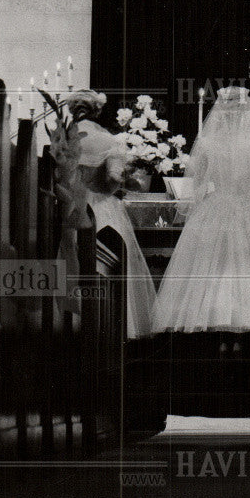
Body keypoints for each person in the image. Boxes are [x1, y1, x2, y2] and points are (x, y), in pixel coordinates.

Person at [151, 86, 250, 346]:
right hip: (249, 209)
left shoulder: (207, 142)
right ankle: (245, 323)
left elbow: (196, 186)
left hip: (216, 207)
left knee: (216, 268)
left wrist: (201, 208)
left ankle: (216, 326)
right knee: (246, 268)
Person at [69, 89, 157, 340]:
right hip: (102, 209)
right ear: (97, 110)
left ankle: (74, 324)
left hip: (72, 207)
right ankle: (114, 326)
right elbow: (113, 178)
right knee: (108, 266)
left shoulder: (65, 136)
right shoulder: (108, 140)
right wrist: (130, 183)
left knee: (76, 263)